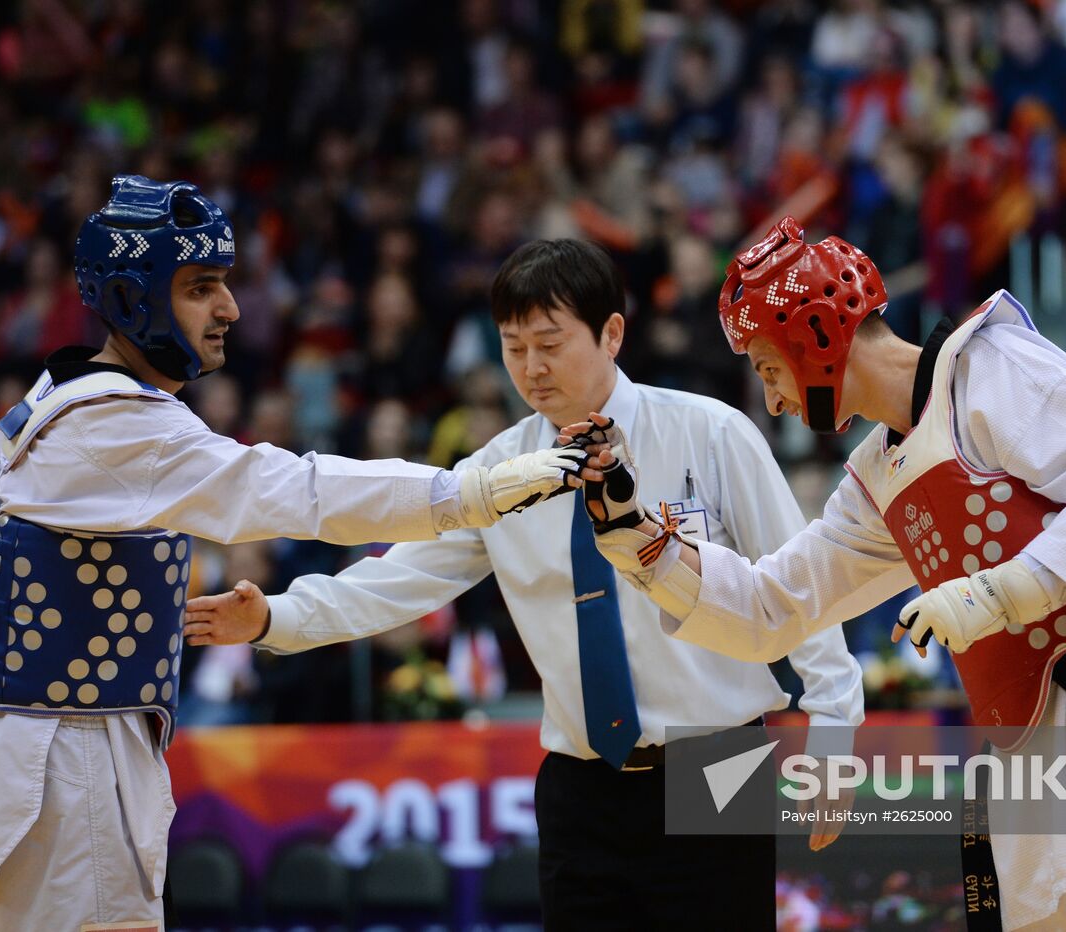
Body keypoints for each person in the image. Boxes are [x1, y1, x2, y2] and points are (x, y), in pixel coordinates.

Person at [572, 217, 1066, 929]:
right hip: (1032, 762)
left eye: (769, 368)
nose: (772, 399)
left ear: (815, 339)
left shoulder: (989, 369)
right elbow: (773, 607)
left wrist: (1004, 589)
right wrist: (641, 542)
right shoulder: (875, 480)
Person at [0, 175, 588, 931]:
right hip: (65, 758)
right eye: (202, 287)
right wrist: (475, 491)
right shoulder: (112, 423)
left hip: (34, 748)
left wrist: (279, 614)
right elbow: (295, 491)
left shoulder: (54, 397)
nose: (231, 308)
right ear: (136, 297)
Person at [184, 237, 864, 930]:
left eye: (549, 343)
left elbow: (802, 585)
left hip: (720, 765)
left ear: (612, 334)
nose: (531, 369)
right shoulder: (497, 472)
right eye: (513, 348)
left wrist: (835, 728)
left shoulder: (712, 433)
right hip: (578, 782)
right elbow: (398, 580)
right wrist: (274, 619)